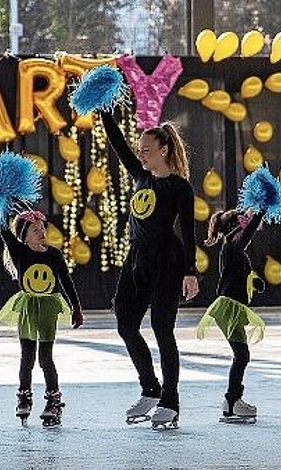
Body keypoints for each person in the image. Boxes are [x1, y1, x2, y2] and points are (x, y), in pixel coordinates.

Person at [100, 110, 199, 430]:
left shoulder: (179, 187)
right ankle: (150, 388)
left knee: (161, 329)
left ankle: (171, 399)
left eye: (146, 149)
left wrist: (190, 271)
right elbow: (118, 145)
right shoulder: (140, 176)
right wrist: (104, 112)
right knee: (126, 325)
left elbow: (188, 231)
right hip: (136, 259)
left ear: (164, 150)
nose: (140, 154)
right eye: (139, 149)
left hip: (166, 260)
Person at [0, 209, 82, 427]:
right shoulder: (19, 252)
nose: (42, 233)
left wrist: (75, 306)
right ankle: (24, 395)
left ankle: (53, 399)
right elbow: (3, 229)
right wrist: (1, 203)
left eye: (43, 229)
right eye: (35, 230)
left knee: (45, 358)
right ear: (24, 235)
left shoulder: (53, 254)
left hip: (49, 307)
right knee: (27, 357)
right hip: (28, 307)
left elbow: (65, 281)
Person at [196, 209, 265, 424]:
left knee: (241, 355)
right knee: (242, 355)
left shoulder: (234, 251)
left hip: (232, 307)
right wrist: (261, 210)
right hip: (229, 309)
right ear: (238, 228)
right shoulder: (233, 247)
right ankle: (232, 400)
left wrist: (253, 281)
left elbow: (234, 274)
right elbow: (248, 232)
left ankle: (232, 401)